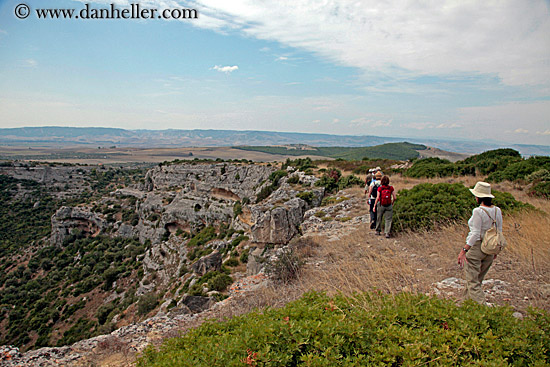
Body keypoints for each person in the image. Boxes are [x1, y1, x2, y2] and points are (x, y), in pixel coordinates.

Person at [458, 181, 502, 304]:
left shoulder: (478, 211)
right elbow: (499, 231)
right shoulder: (497, 210)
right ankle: (465, 305)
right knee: (476, 280)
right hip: (490, 247)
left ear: (478, 197)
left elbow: (475, 234)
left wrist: (464, 250)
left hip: (477, 247)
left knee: (472, 282)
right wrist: (496, 250)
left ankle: (483, 310)